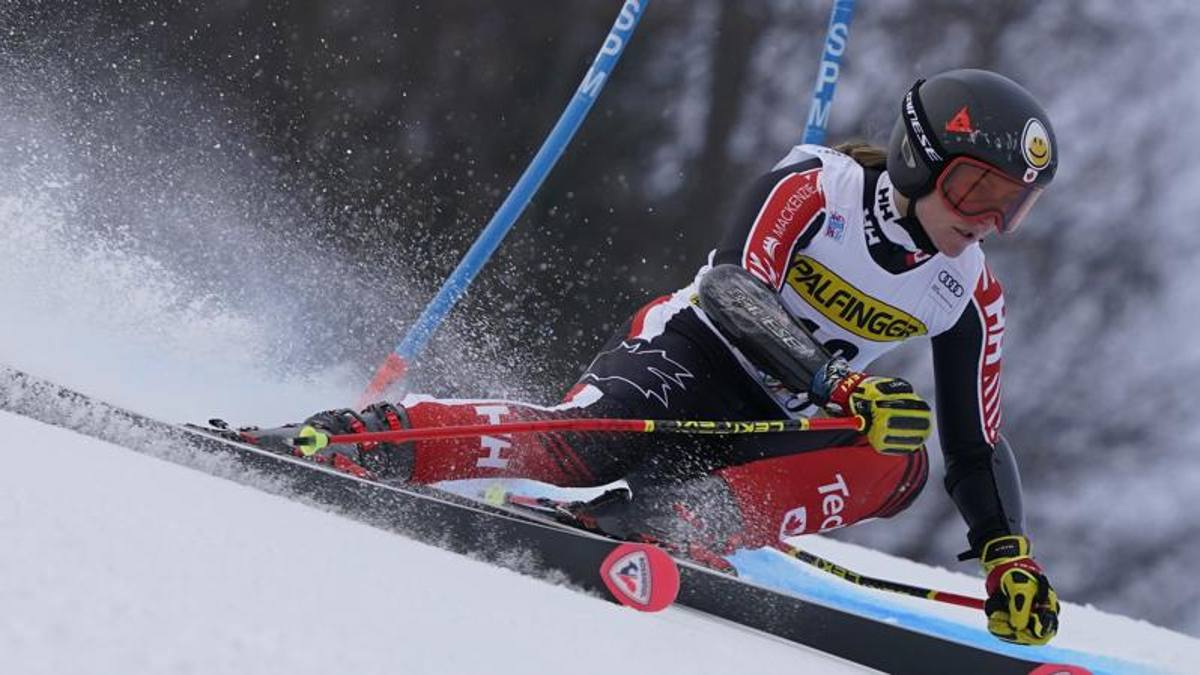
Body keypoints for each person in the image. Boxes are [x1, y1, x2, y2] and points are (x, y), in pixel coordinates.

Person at [226, 69, 1060, 646]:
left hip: (772, 429)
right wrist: (835, 381)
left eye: (1009, 206)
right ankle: (369, 436)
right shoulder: (819, 185)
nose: (985, 219)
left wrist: (1007, 555)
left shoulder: (971, 292)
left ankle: (687, 519)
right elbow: (736, 289)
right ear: (919, 158)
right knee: (576, 444)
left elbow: (977, 443)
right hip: (693, 355)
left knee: (899, 456)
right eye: (971, 190)